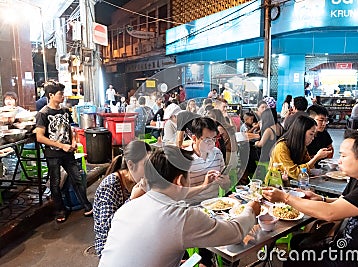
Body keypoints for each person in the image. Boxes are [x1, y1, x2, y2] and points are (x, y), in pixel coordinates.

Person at [99, 146, 261, 267]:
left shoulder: (127, 208)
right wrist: (250, 210)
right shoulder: (181, 216)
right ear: (179, 180)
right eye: (188, 176)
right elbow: (235, 233)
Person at [263, 131, 358, 266]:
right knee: (299, 243)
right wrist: (321, 199)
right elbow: (345, 202)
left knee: (295, 261)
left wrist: (285, 197)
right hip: (348, 247)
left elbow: (330, 213)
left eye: (344, 156)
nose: (339, 161)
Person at [35, 80, 92, 223]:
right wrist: (61, 146)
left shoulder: (65, 111)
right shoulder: (43, 114)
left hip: (68, 152)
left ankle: (87, 206)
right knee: (55, 183)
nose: (63, 96)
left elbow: (70, 129)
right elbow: (40, 137)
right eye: (60, 94)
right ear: (51, 95)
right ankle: (60, 210)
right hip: (53, 154)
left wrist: (73, 141)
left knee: (77, 179)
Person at [93, 140, 151, 256]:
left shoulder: (139, 182)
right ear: (130, 165)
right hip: (111, 247)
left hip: (131, 235)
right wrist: (132, 200)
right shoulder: (111, 185)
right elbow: (105, 228)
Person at [186, 117, 230, 204]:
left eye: (214, 139)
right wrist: (204, 185)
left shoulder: (217, 153)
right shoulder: (184, 158)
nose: (211, 143)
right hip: (193, 205)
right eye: (206, 140)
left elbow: (226, 186)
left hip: (215, 204)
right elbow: (180, 194)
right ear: (194, 139)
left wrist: (225, 182)